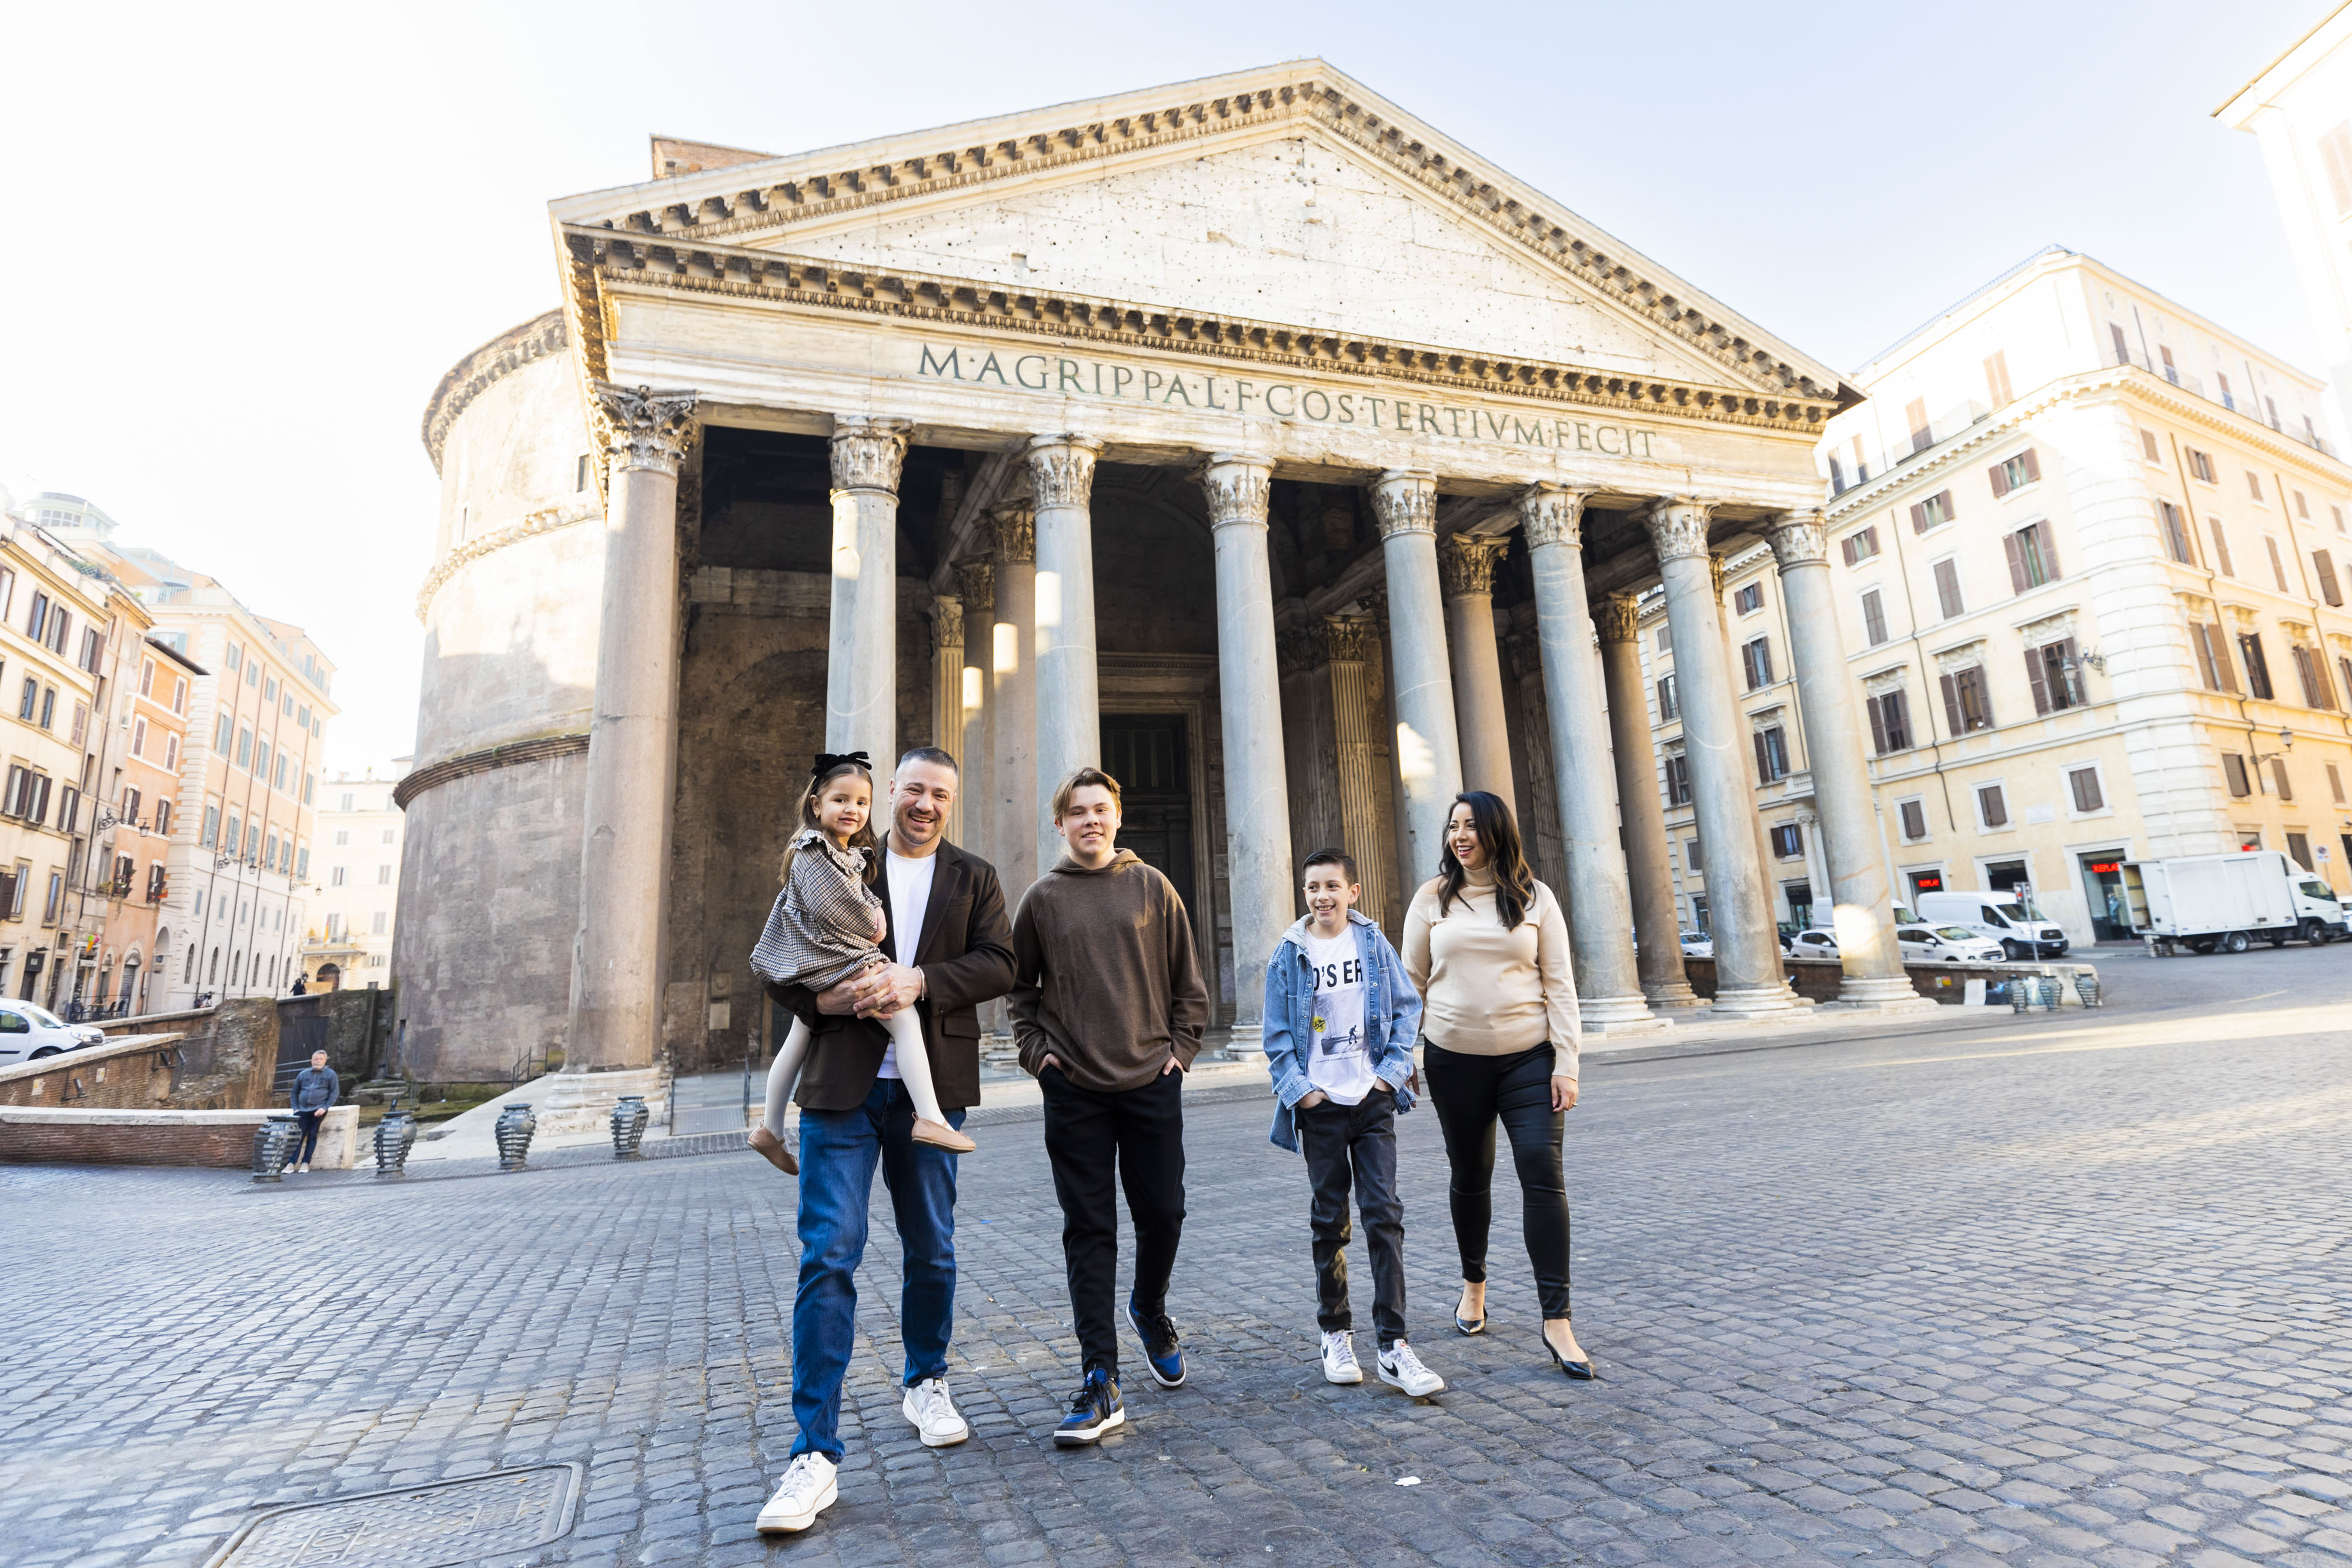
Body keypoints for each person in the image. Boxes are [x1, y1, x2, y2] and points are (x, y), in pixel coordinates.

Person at [753, 747, 1014, 1536]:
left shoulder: (975, 876)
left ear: (951, 800)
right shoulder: (837, 862)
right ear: (888, 793)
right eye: (914, 789)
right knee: (828, 1252)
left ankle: (925, 1377)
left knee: (932, 1245)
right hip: (843, 1085)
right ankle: (814, 1452)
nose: (926, 802)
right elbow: (778, 957)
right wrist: (826, 995)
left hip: (930, 1086)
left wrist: (920, 979)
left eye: (940, 793)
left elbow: (1002, 961)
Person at [1010, 767, 1207, 1446]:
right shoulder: (1041, 899)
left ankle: (1148, 1308)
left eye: (1100, 810)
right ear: (1059, 823)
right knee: (1088, 1231)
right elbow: (1020, 995)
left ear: (1116, 819)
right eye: (1077, 812)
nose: (1090, 820)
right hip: (1075, 1094)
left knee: (1163, 1213)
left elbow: (1189, 982)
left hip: (1151, 1080)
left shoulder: (1153, 886)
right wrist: (1040, 1058)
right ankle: (1101, 1379)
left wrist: (1179, 1050)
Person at [1403, 790, 1593, 1380]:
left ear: (1495, 832)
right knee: (1470, 1173)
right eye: (1452, 827)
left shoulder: (1536, 898)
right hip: (1453, 1060)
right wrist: (1403, 1050)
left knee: (1541, 1168)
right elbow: (1409, 980)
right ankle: (1474, 1284)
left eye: (1470, 827)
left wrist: (1567, 1062)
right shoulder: (1431, 898)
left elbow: (1558, 982)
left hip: (1528, 1059)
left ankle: (1556, 1318)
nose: (1459, 836)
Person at [1262, 849, 1443, 1398]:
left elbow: (1406, 1006)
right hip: (1321, 1107)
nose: (1322, 896)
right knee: (1329, 1219)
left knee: (1384, 1214)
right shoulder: (1288, 954)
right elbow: (1276, 1037)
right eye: (1313, 887)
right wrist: (1305, 1093)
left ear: (1353, 891)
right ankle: (1335, 1331)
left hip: (1371, 1100)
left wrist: (1389, 1075)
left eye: (1332, 886)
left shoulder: (1372, 943)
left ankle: (1393, 1344)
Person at [750, 752, 973, 1159]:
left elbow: (850, 890)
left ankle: (771, 1128)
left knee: (798, 1035)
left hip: (824, 957)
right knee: (904, 1021)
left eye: (860, 803)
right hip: (832, 958)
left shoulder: (843, 852)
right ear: (817, 804)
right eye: (840, 800)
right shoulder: (813, 850)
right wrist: (873, 921)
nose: (852, 810)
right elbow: (835, 903)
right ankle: (930, 1117)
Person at [286, 1050, 336, 1174]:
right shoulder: (303, 1074)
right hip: (302, 1110)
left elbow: (334, 1093)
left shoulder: (330, 1075)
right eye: (316, 1059)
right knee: (297, 1137)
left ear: (325, 1061)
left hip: (318, 1110)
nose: (318, 1061)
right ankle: (291, 1163)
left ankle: (305, 1163)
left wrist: (325, 1107)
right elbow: (294, 1092)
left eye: (321, 1059)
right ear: (311, 1060)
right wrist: (295, 1108)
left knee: (312, 1136)